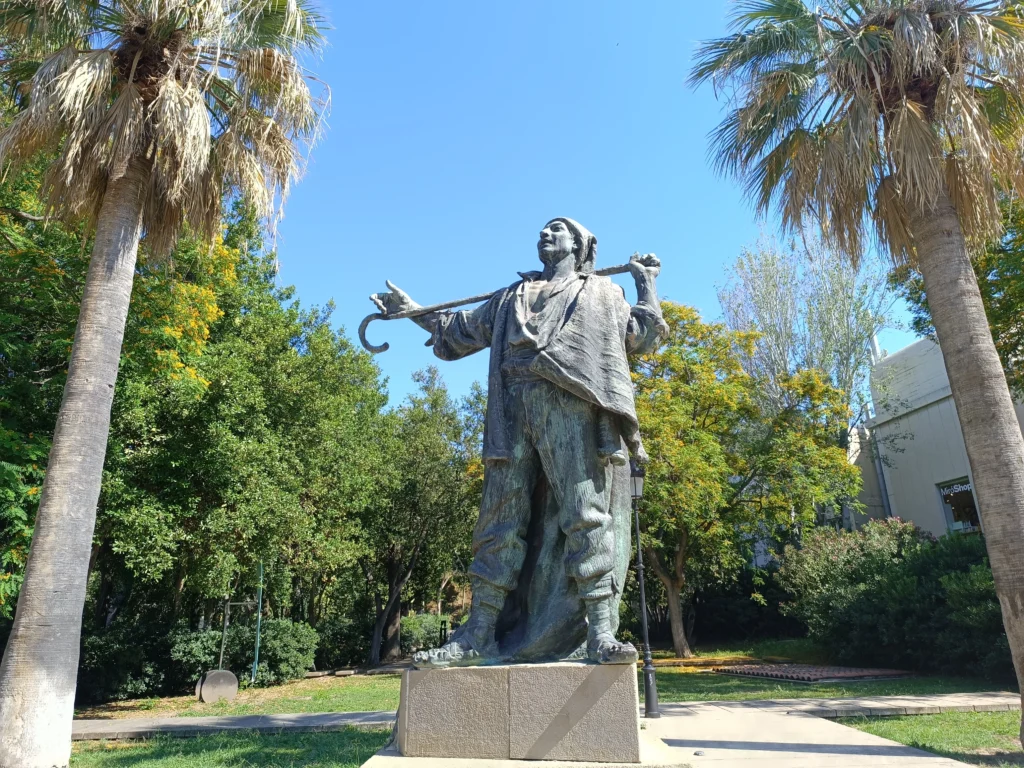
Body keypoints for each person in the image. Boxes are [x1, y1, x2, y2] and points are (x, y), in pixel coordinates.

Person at [370, 218, 666, 666]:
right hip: (511, 407)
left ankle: (600, 634)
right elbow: (459, 330)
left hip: (571, 405)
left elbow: (642, 337)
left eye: (557, 229)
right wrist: (413, 311)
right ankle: (479, 635)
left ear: (581, 245)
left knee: (586, 514)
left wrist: (646, 286)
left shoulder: (604, 293)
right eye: (543, 231)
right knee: (498, 522)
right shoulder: (511, 297)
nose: (545, 235)